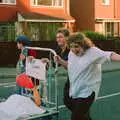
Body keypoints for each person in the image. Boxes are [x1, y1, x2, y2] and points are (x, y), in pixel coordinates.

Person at [61, 32, 120, 120]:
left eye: (76, 46)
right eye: (71, 47)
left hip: (88, 91)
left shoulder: (93, 52)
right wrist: (60, 61)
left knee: (76, 117)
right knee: (68, 103)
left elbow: (109, 55)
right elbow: (70, 66)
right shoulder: (71, 53)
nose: (73, 50)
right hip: (76, 89)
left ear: (83, 45)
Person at [55, 28, 72, 110]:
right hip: (71, 77)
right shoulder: (59, 48)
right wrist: (44, 61)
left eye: (60, 37)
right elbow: (54, 63)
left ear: (67, 38)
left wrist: (60, 60)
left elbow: (71, 66)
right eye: (57, 37)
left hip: (81, 78)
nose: (58, 39)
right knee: (67, 100)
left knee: (75, 101)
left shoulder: (72, 49)